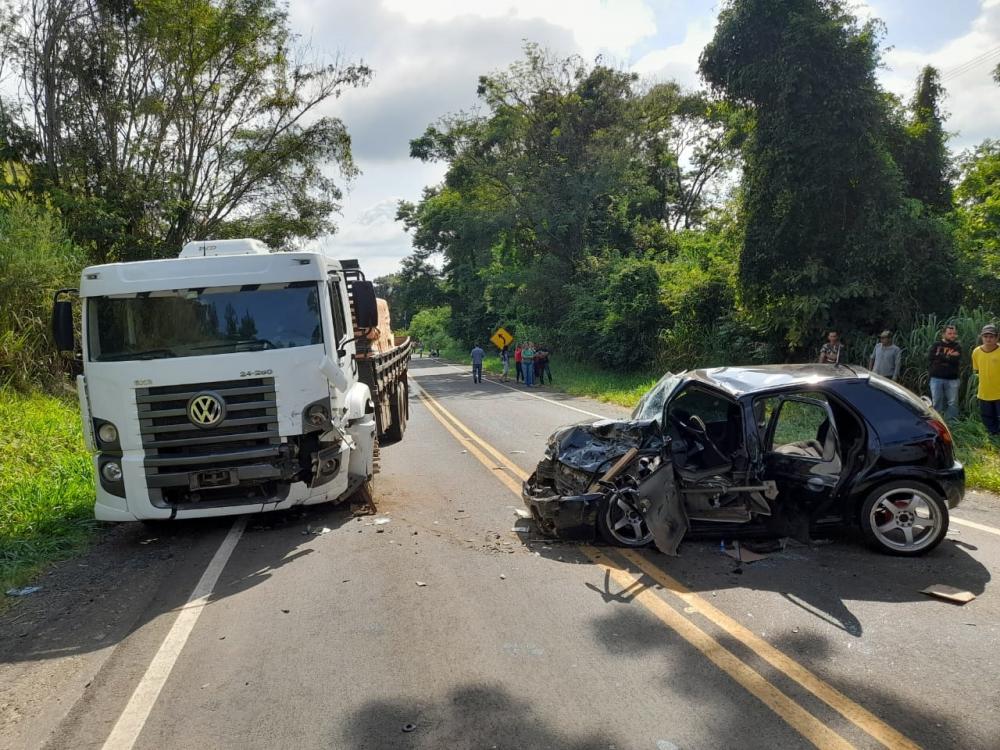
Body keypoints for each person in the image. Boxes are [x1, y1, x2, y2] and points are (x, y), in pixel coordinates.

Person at [928, 324, 962, 421]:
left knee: (953, 403)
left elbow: (956, 360)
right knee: (937, 401)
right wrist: (949, 356)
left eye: (954, 333)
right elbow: (930, 358)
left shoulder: (957, 346)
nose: (952, 335)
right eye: (950, 333)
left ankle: (952, 424)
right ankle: (938, 422)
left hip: (952, 379)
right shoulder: (936, 345)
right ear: (943, 334)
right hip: (936, 378)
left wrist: (940, 356)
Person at [972, 324, 1000, 437]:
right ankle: (993, 434)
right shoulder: (976, 352)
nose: (988, 339)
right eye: (985, 336)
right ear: (981, 337)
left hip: (999, 392)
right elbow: (977, 370)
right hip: (984, 392)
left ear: (997, 337)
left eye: (991, 336)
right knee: (987, 416)